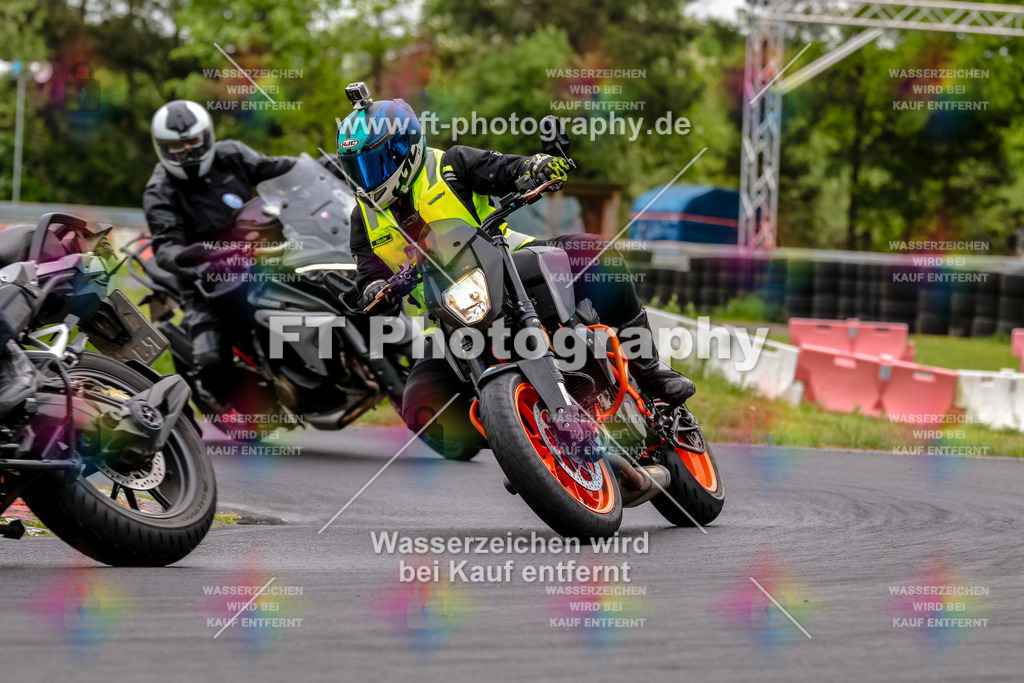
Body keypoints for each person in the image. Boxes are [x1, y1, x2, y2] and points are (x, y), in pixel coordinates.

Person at [335, 83, 695, 450]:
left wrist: (537, 166)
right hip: (449, 318)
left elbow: (505, 169)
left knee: (596, 254)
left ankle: (649, 369)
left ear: (403, 149)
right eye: (357, 167)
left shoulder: (450, 164)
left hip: (513, 269)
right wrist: (372, 295)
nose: (367, 176)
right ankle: (523, 441)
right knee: (420, 405)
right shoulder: (362, 220)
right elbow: (369, 278)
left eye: (373, 162)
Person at [142, 100, 298, 411]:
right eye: (177, 146)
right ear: (163, 148)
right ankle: (236, 403)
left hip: (263, 257)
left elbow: (280, 168)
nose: (186, 151)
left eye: (193, 141)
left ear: (207, 137)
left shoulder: (232, 156)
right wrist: (194, 258)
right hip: (206, 282)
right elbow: (166, 247)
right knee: (212, 359)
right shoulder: (160, 190)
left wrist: (328, 164)